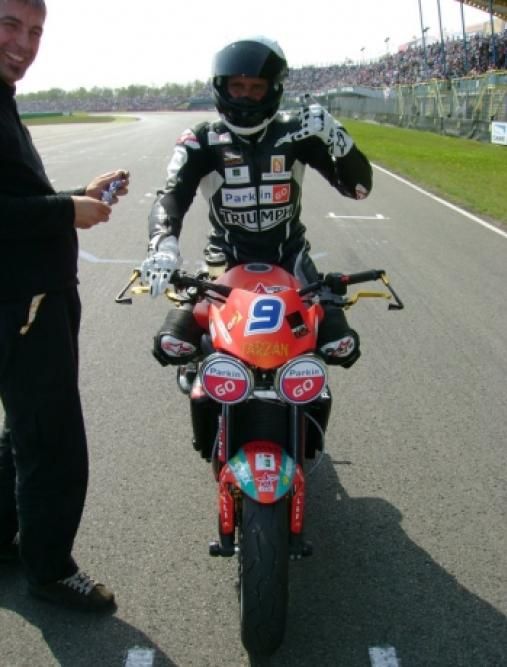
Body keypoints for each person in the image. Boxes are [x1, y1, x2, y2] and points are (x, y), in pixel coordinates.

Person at [0, 0, 129, 611]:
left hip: (31, 297)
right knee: (53, 443)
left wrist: (78, 195)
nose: (24, 43)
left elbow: (14, 195)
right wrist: (66, 210)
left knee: (23, 431)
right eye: (10, 24)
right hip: (25, 302)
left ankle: (6, 540)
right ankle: (50, 570)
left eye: (35, 31)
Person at [141, 36, 372, 373]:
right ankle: (200, 379)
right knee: (175, 344)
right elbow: (172, 196)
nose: (245, 96)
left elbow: (359, 189)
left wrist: (339, 138)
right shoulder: (201, 139)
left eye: (256, 87)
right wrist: (163, 245)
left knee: (337, 345)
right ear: (221, 87)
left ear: (273, 89)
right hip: (224, 261)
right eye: (237, 86)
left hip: (291, 260)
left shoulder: (300, 132)